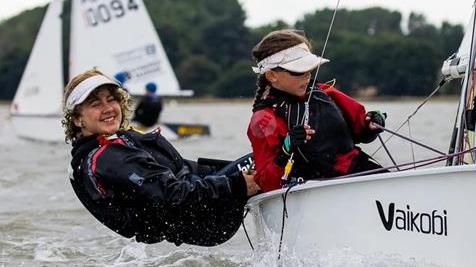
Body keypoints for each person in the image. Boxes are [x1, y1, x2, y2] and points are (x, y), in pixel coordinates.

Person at [63, 68, 260, 246]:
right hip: (203, 218)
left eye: (111, 99)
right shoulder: (108, 158)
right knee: (271, 159)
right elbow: (171, 195)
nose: (108, 108)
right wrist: (236, 185)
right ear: (78, 119)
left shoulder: (121, 140)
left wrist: (233, 174)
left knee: (264, 161)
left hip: (202, 199)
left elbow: (184, 168)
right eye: (96, 104)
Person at [247, 29, 386, 192]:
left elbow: (360, 126)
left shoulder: (324, 92)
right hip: (309, 189)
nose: (307, 76)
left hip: (356, 170)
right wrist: (285, 150)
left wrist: (372, 122)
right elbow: (267, 183)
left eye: (309, 69)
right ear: (272, 76)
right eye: (298, 71)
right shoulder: (263, 119)